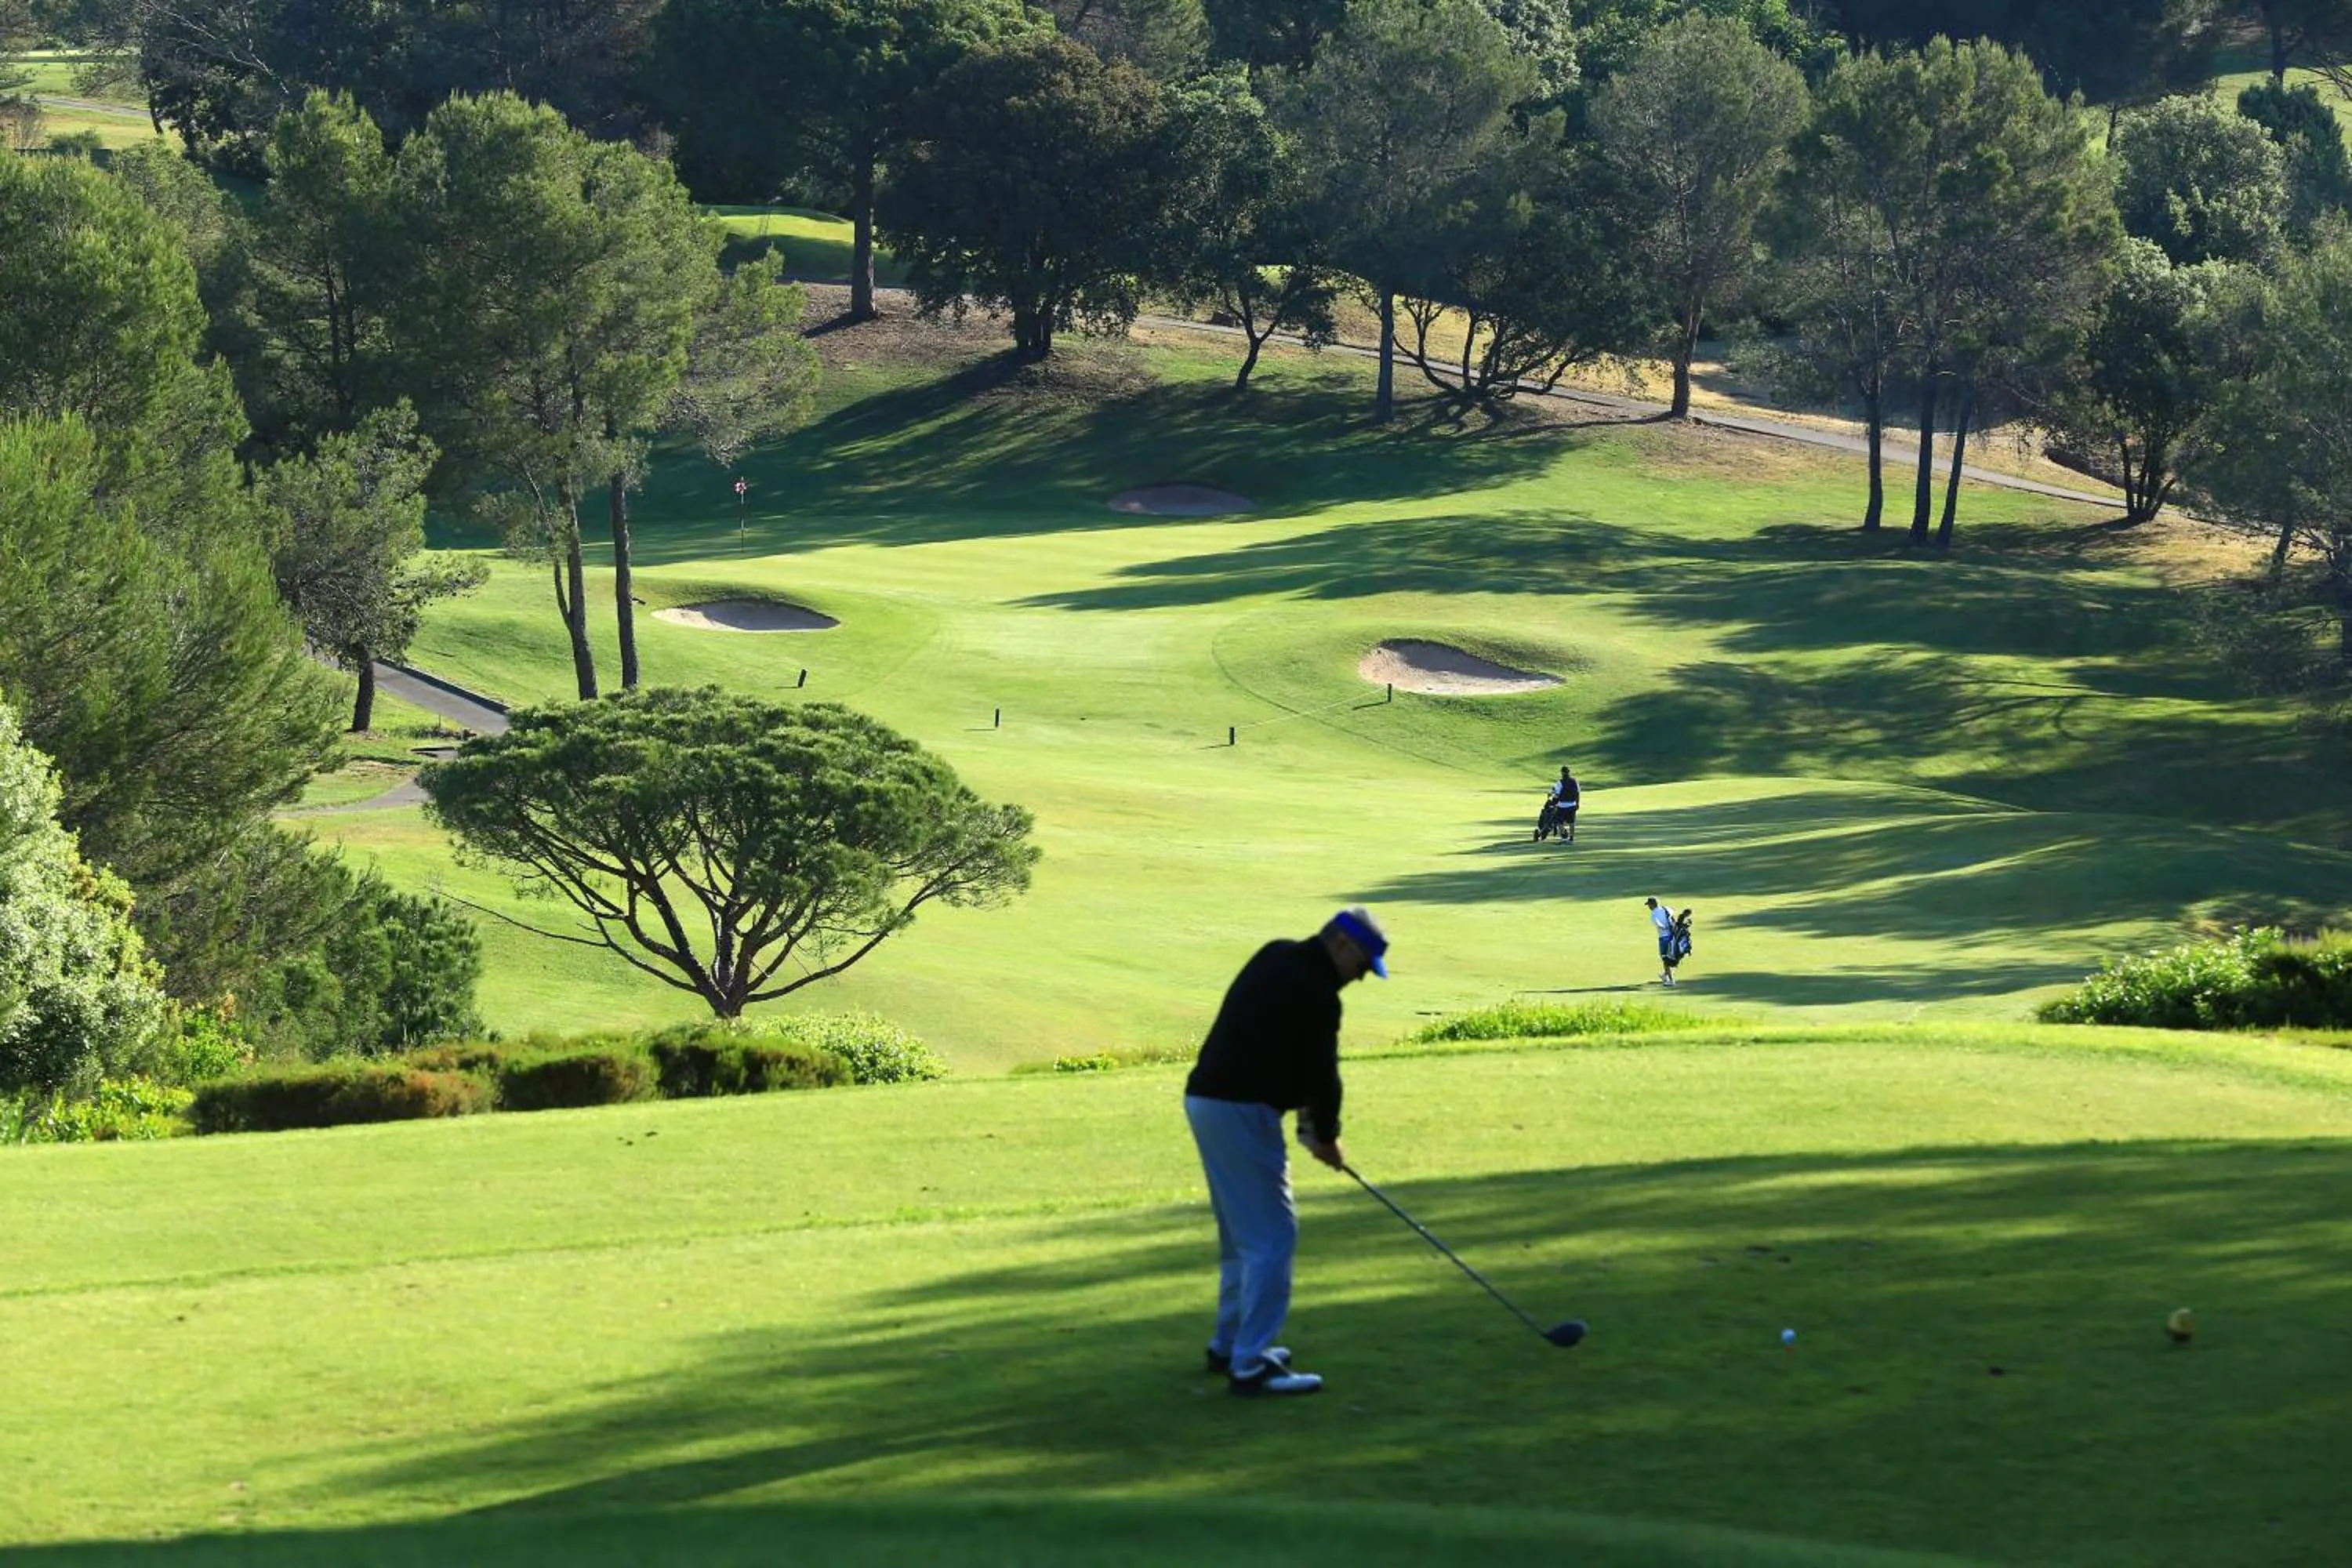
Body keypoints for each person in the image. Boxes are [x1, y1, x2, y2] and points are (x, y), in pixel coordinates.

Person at [1184, 906, 1388, 1398]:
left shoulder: (1278, 955)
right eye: (1361, 966)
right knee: (1274, 1238)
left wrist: (1309, 1125)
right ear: (1340, 944)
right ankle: (1250, 1366)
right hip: (1239, 1110)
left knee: (1242, 1238)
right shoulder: (1318, 992)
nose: (1358, 978)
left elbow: (1279, 1050)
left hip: (1206, 1101)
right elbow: (1322, 1075)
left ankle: (1230, 1345)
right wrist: (1326, 1135)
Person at [1646, 896, 1677, 986]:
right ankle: (1665, 975)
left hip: (1664, 938)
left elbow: (1660, 925)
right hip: (1673, 936)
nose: (1649, 907)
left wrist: (1665, 927)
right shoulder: (1666, 908)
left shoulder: (1654, 914)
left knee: (1665, 959)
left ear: (1652, 905)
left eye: (1649, 905)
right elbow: (1673, 915)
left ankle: (1671, 981)